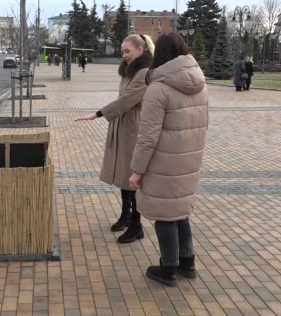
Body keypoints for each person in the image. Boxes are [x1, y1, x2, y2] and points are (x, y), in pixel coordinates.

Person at [129, 33, 208, 287]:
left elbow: (147, 136)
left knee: (165, 213)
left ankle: (168, 267)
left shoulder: (158, 88)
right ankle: (188, 262)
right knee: (180, 211)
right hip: (189, 160)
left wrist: (136, 171)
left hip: (163, 162)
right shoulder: (201, 84)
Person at [75, 34, 155, 243]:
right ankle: (126, 215)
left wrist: (98, 114)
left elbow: (127, 100)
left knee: (133, 174)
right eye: (123, 51)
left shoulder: (145, 72)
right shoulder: (128, 71)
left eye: (128, 51)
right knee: (123, 172)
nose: (124, 55)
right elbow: (122, 100)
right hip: (122, 124)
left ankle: (137, 224)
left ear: (141, 49)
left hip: (134, 126)